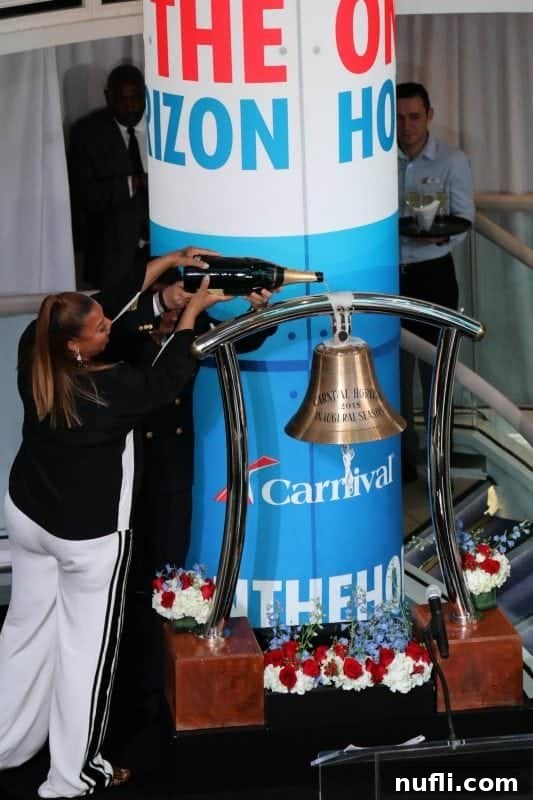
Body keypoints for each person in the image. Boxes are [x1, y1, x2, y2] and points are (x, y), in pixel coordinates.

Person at [0, 246, 226, 799]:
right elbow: (166, 380)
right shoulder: (112, 391)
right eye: (100, 330)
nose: (111, 330)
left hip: (28, 519)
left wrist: (168, 260)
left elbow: (110, 298)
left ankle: (4, 742)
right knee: (86, 655)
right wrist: (191, 316)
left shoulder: (36, 348)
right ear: (76, 347)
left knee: (22, 631)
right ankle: (72, 775)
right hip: (86, 539)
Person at [396, 82, 475, 481]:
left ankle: (437, 463)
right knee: (393, 377)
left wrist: (438, 234)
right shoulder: (377, 159)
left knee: (436, 377)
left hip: (434, 275)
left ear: (429, 115)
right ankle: (403, 464)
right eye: (399, 117)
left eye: (413, 116)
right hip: (389, 278)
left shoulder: (451, 159)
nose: (406, 126)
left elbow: (465, 219)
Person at [68, 64, 149, 288]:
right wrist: (134, 183)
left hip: (163, 255)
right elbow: (84, 196)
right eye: (122, 99)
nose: (130, 105)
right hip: (111, 258)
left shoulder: (163, 124)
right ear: (108, 97)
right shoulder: (87, 134)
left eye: (136, 97)